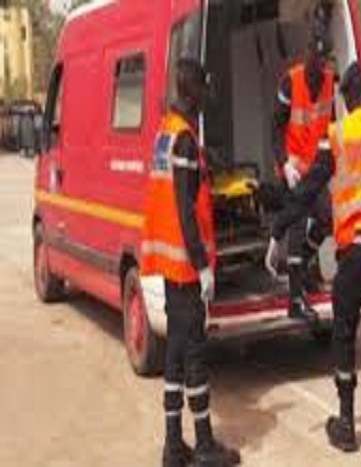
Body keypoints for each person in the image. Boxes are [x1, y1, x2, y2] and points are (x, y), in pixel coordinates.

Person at [265, 62, 361, 466]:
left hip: (353, 255)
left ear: (347, 99)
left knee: (344, 336)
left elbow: (307, 191)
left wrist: (278, 231)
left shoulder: (337, 135)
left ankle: (347, 426)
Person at [141, 58, 240, 467]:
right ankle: (203, 446)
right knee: (194, 354)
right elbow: (185, 209)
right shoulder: (183, 139)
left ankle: (172, 445)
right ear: (191, 90)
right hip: (184, 268)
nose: (205, 97)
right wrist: (201, 265)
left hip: (169, 266)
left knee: (176, 354)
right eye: (202, 88)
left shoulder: (165, 132)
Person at [271, 22, 336, 322]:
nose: (319, 66)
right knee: (297, 228)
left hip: (316, 170)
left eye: (324, 61)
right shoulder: (291, 81)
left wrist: (329, 161)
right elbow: (275, 127)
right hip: (294, 170)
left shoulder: (329, 82)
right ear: (308, 52)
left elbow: (329, 125)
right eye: (316, 58)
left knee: (326, 219)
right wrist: (284, 163)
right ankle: (295, 301)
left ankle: (301, 267)